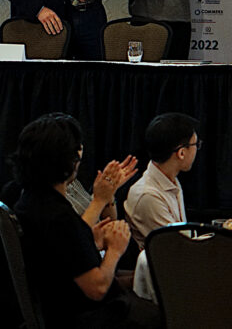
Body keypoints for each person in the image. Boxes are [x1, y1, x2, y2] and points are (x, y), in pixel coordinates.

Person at [12, 113, 161, 329]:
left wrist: (89, 237)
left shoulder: (30, 200)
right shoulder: (57, 216)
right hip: (81, 316)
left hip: (56, 305)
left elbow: (59, 250)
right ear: (66, 161)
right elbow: (97, 288)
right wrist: (115, 250)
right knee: (164, 311)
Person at [124, 113, 232, 249]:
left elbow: (187, 242)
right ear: (181, 153)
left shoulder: (169, 179)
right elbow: (182, 249)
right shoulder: (149, 196)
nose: (197, 150)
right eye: (196, 145)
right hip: (168, 274)